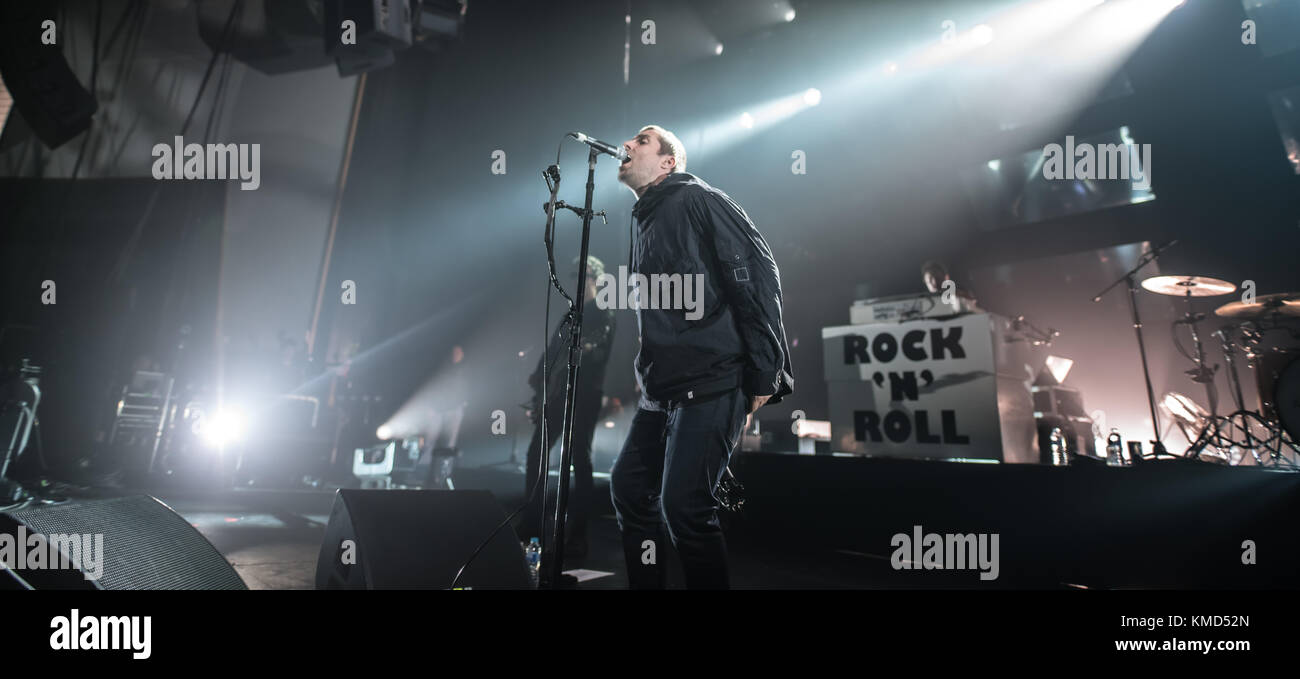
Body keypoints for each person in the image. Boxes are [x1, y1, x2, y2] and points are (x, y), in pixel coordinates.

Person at [610, 125, 793, 589]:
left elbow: (757, 274)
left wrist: (764, 372)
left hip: (713, 375)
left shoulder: (698, 198)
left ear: (668, 162)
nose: (627, 145)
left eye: (642, 141)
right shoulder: (643, 216)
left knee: (686, 509)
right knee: (632, 491)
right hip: (664, 386)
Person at [520, 256, 617, 559]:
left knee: (579, 460)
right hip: (559, 395)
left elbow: (598, 353)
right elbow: (553, 349)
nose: (577, 280)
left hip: (585, 395)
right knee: (536, 452)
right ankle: (531, 523)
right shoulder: (570, 315)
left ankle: (577, 535)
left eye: (583, 275)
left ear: (596, 279)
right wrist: (540, 374)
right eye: (575, 274)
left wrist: (582, 349)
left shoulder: (604, 314)